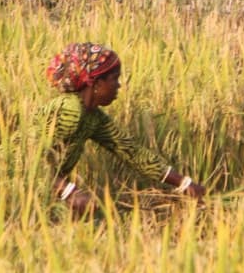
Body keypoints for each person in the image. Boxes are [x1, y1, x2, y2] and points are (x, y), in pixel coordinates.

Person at [37, 42, 205, 217]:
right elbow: (33, 159)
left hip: (43, 188)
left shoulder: (93, 117)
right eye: (114, 78)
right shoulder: (70, 110)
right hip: (24, 184)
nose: (118, 85)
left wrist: (185, 184)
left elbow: (132, 152)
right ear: (96, 82)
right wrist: (69, 193)